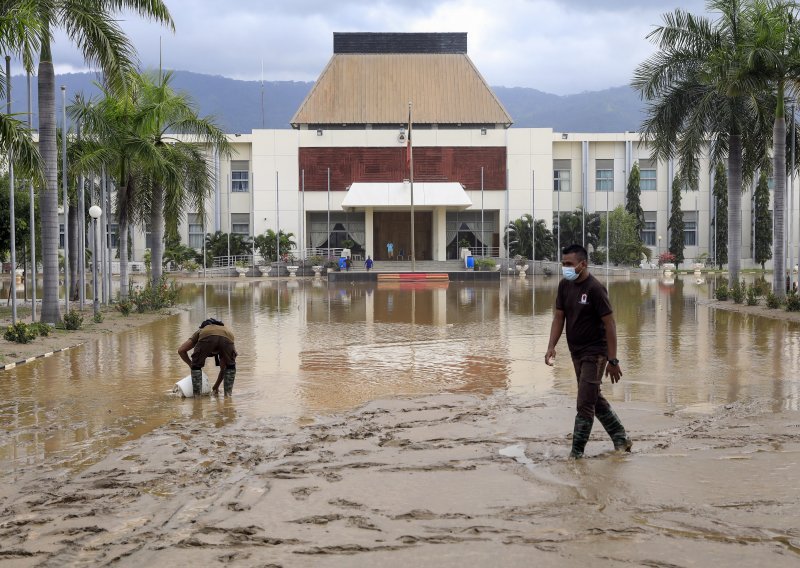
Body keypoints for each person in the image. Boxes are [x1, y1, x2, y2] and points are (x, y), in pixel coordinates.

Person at [545, 244, 632, 458]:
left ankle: (576, 455)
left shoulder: (595, 289)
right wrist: (551, 346)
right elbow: (559, 317)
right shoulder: (564, 286)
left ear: (583, 264)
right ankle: (621, 438)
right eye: (563, 263)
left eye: (569, 264)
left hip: (595, 353)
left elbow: (610, 324)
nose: (565, 267)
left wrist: (613, 360)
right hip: (576, 352)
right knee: (593, 397)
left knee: (584, 403)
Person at [177, 318, 238, 396]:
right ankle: (228, 397)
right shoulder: (226, 331)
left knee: (196, 367)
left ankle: (197, 399)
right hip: (227, 338)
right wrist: (216, 387)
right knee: (230, 366)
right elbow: (224, 368)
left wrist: (192, 365)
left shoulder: (202, 331)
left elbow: (181, 350)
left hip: (207, 336)